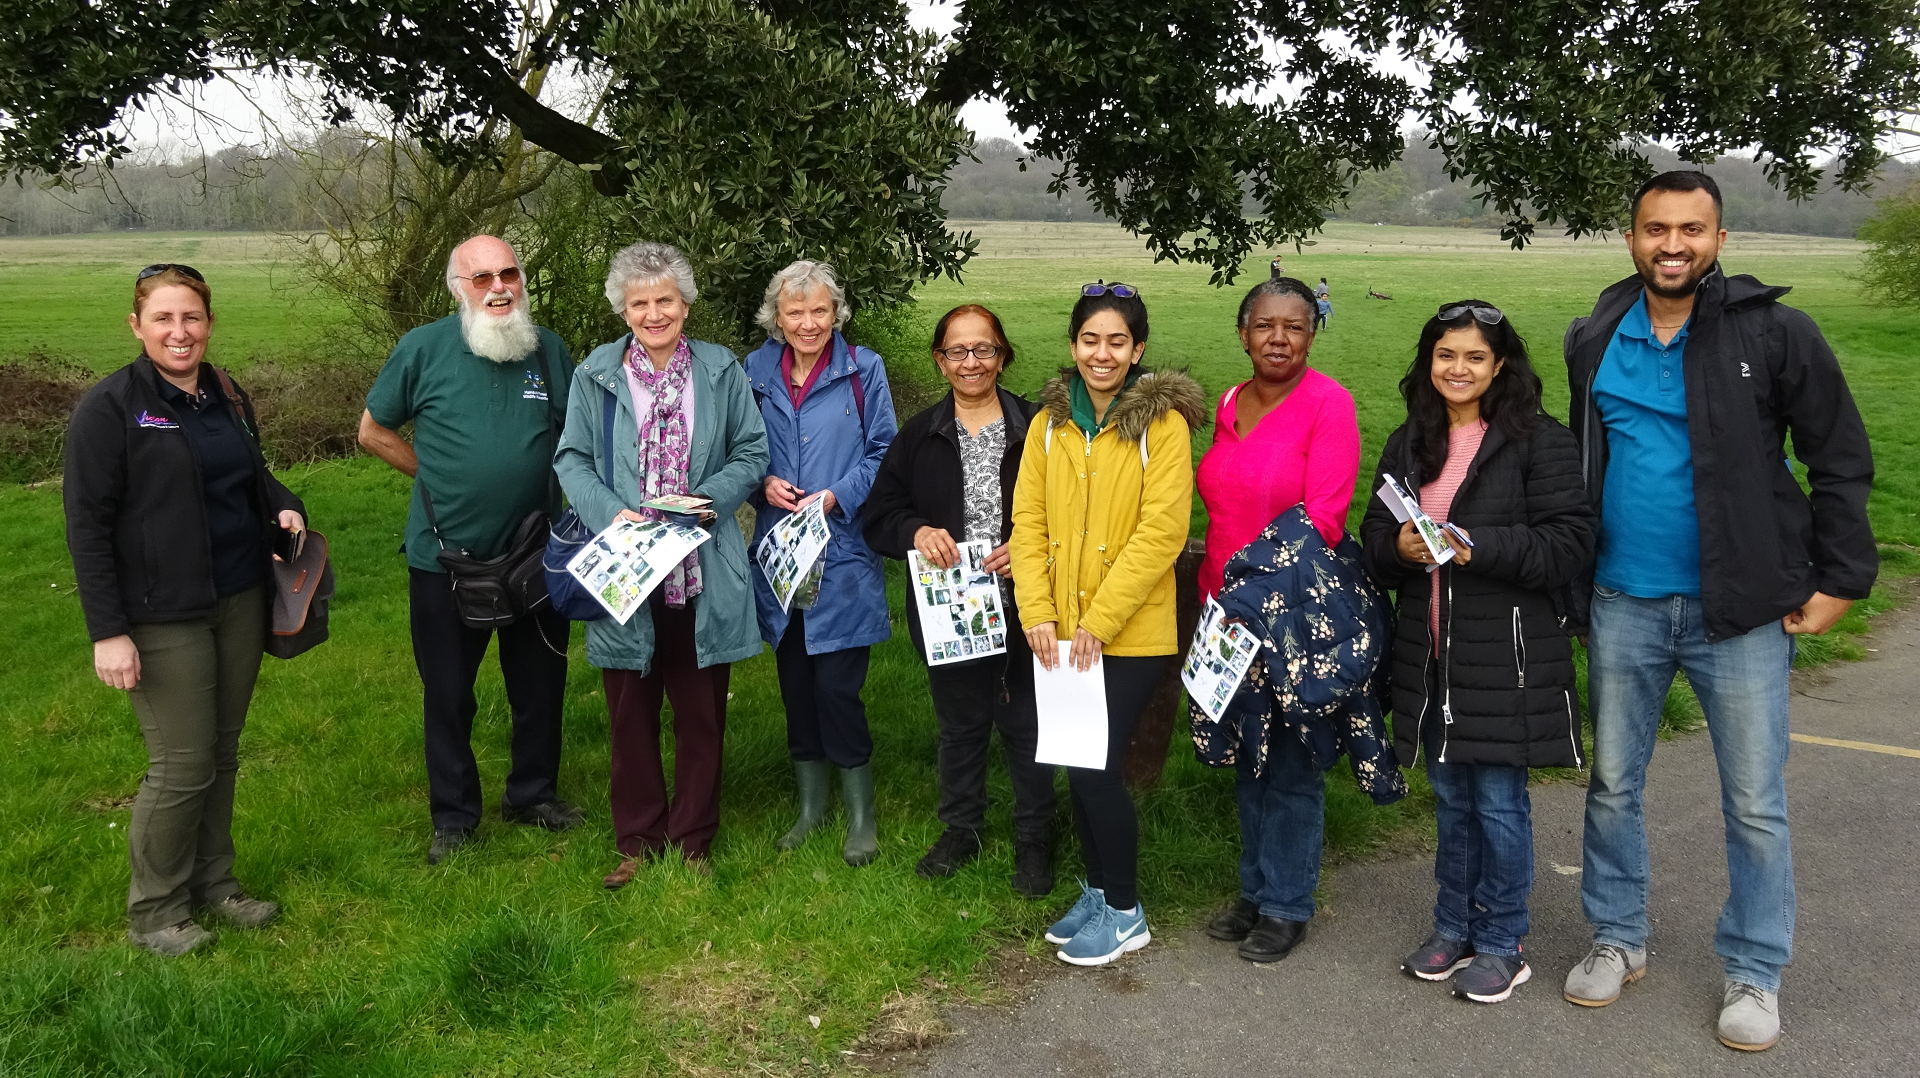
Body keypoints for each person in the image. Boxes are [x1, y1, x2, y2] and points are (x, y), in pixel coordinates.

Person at [1561, 171, 1875, 1051]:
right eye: (1656, 228)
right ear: (1631, 238)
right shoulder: (1595, 334)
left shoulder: (1775, 333)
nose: (1673, 245)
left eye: (1691, 230)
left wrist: (1842, 578)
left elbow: (1839, 455)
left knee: (1755, 801)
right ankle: (1618, 937)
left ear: (1720, 240)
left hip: (1739, 610)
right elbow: (1584, 457)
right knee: (1612, 784)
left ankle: (1755, 967)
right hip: (1621, 599)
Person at [64, 264, 307, 956]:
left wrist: (283, 503)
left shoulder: (226, 395)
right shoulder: (110, 409)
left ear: (209, 323)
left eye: (192, 317)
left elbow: (249, 474)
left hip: (238, 597)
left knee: (221, 753)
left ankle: (216, 886)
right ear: (136, 326)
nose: (180, 332)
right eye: (164, 319)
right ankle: (156, 912)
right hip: (159, 613)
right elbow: (86, 525)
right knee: (181, 762)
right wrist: (108, 632)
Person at [1360, 300, 1595, 1003]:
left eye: (1474, 357)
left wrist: (1478, 545)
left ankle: (1502, 942)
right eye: (1445, 355)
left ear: (1500, 366)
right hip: (1430, 656)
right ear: (1428, 363)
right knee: (1450, 801)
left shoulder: (1539, 441)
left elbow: (1570, 542)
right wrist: (1398, 549)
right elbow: (1374, 536)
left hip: (1505, 659)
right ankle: (1452, 928)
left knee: (1497, 803)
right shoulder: (1411, 441)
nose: (1457, 369)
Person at [358, 234, 579, 865]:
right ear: (458, 288)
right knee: (449, 693)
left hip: (537, 551)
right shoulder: (423, 348)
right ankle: (454, 818)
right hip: (444, 558)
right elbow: (372, 430)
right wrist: (433, 475)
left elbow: (579, 432)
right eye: (481, 278)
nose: (499, 287)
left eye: (509, 273)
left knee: (540, 685)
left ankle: (532, 794)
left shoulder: (547, 350)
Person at [555, 242, 769, 888]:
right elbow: (571, 459)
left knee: (701, 716)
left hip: (702, 569)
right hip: (626, 568)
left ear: (685, 305)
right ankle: (638, 840)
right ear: (623, 310)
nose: (654, 314)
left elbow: (751, 451)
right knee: (630, 715)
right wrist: (611, 514)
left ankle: (694, 840)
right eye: (640, 303)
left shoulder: (720, 369)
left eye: (665, 300)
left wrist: (709, 502)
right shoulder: (596, 373)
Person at [1011, 281, 1206, 965]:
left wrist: (1099, 619)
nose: (1102, 354)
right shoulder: (1049, 425)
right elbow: (1028, 523)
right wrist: (1037, 611)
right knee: (1075, 761)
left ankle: (1125, 912)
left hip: (1130, 633)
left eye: (1117, 342)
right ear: (1073, 347)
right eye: (1090, 340)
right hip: (1060, 630)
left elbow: (1163, 532)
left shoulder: (1162, 426)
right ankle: (1096, 893)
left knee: (1095, 768)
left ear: (1138, 349)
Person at [1193, 273, 1361, 964]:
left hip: (1288, 614)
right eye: (1265, 325)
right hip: (1222, 616)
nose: (1279, 338)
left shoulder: (1329, 404)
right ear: (1243, 333)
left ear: (1312, 334)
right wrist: (1223, 601)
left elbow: (1324, 518)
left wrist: (1252, 596)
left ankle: (1288, 903)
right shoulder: (1230, 402)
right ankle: (1255, 890)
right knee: (1248, 756)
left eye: (1295, 326)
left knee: (1290, 763)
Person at [864, 303, 1057, 895]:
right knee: (961, 724)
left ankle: (1035, 838)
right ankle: (962, 828)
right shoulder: (920, 435)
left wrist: (1031, 547)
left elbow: (1075, 513)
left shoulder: (1041, 428)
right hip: (951, 612)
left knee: (1027, 724)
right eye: (957, 351)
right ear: (940, 360)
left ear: (1003, 355)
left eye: (984, 349)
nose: (971, 362)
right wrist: (916, 532)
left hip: (1030, 604)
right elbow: (879, 515)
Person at [744, 261, 898, 866]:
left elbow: (885, 451)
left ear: (836, 313)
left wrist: (837, 495)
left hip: (841, 555)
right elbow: (738, 447)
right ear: (776, 318)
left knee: (837, 688)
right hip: (781, 556)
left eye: (819, 311)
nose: (808, 323)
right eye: (795, 312)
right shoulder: (755, 371)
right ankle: (811, 808)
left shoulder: (864, 369)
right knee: (796, 687)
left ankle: (861, 814)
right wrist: (762, 482)